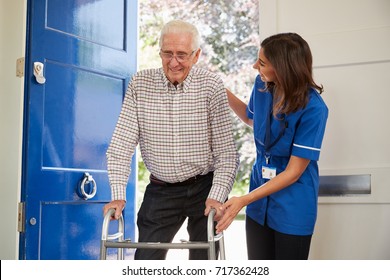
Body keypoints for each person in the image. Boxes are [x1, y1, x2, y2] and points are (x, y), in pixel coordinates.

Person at [103, 20, 239, 260]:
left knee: (203, 262)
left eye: (182, 55)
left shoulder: (211, 86)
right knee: (146, 260)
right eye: (167, 54)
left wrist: (216, 196)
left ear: (196, 56)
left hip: (204, 187)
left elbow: (226, 155)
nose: (173, 62)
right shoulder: (140, 84)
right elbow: (120, 147)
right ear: (159, 52)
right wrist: (117, 194)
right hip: (161, 189)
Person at [216, 33, 328, 260]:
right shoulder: (263, 85)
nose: (255, 65)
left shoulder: (314, 108)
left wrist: (244, 200)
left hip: (292, 208)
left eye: (263, 62)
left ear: (283, 67)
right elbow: (251, 119)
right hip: (259, 204)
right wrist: (220, 89)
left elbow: (294, 172)